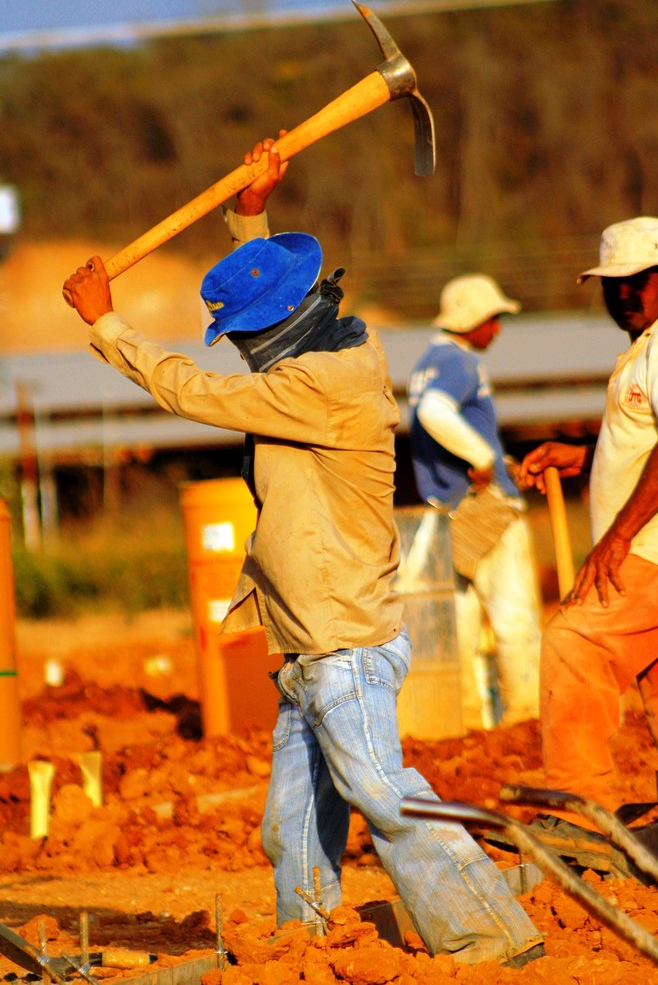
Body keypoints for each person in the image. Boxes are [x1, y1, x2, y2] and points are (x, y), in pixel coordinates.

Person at [62, 138, 544, 967]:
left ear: (279, 334)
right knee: (291, 823)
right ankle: (304, 945)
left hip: (343, 638)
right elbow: (275, 301)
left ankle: (496, 939)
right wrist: (253, 217)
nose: (244, 347)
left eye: (248, 335)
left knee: (386, 796)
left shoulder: (315, 387)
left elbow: (193, 390)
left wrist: (108, 324)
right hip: (311, 640)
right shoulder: (331, 347)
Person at [519, 215, 658, 842]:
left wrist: (617, 537)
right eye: (610, 285)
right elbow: (647, 447)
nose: (620, 296)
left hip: (657, 549)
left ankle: (578, 812)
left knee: (574, 643)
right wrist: (579, 456)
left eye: (634, 283)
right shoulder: (653, 340)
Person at [407, 275, 542, 729]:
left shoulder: (426, 361)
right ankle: (526, 717)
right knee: (514, 617)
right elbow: (434, 413)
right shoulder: (459, 362)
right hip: (485, 509)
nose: (498, 330)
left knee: (459, 624)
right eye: (494, 319)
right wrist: (484, 459)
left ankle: (464, 722)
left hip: (447, 511)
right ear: (473, 321)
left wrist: (498, 458)